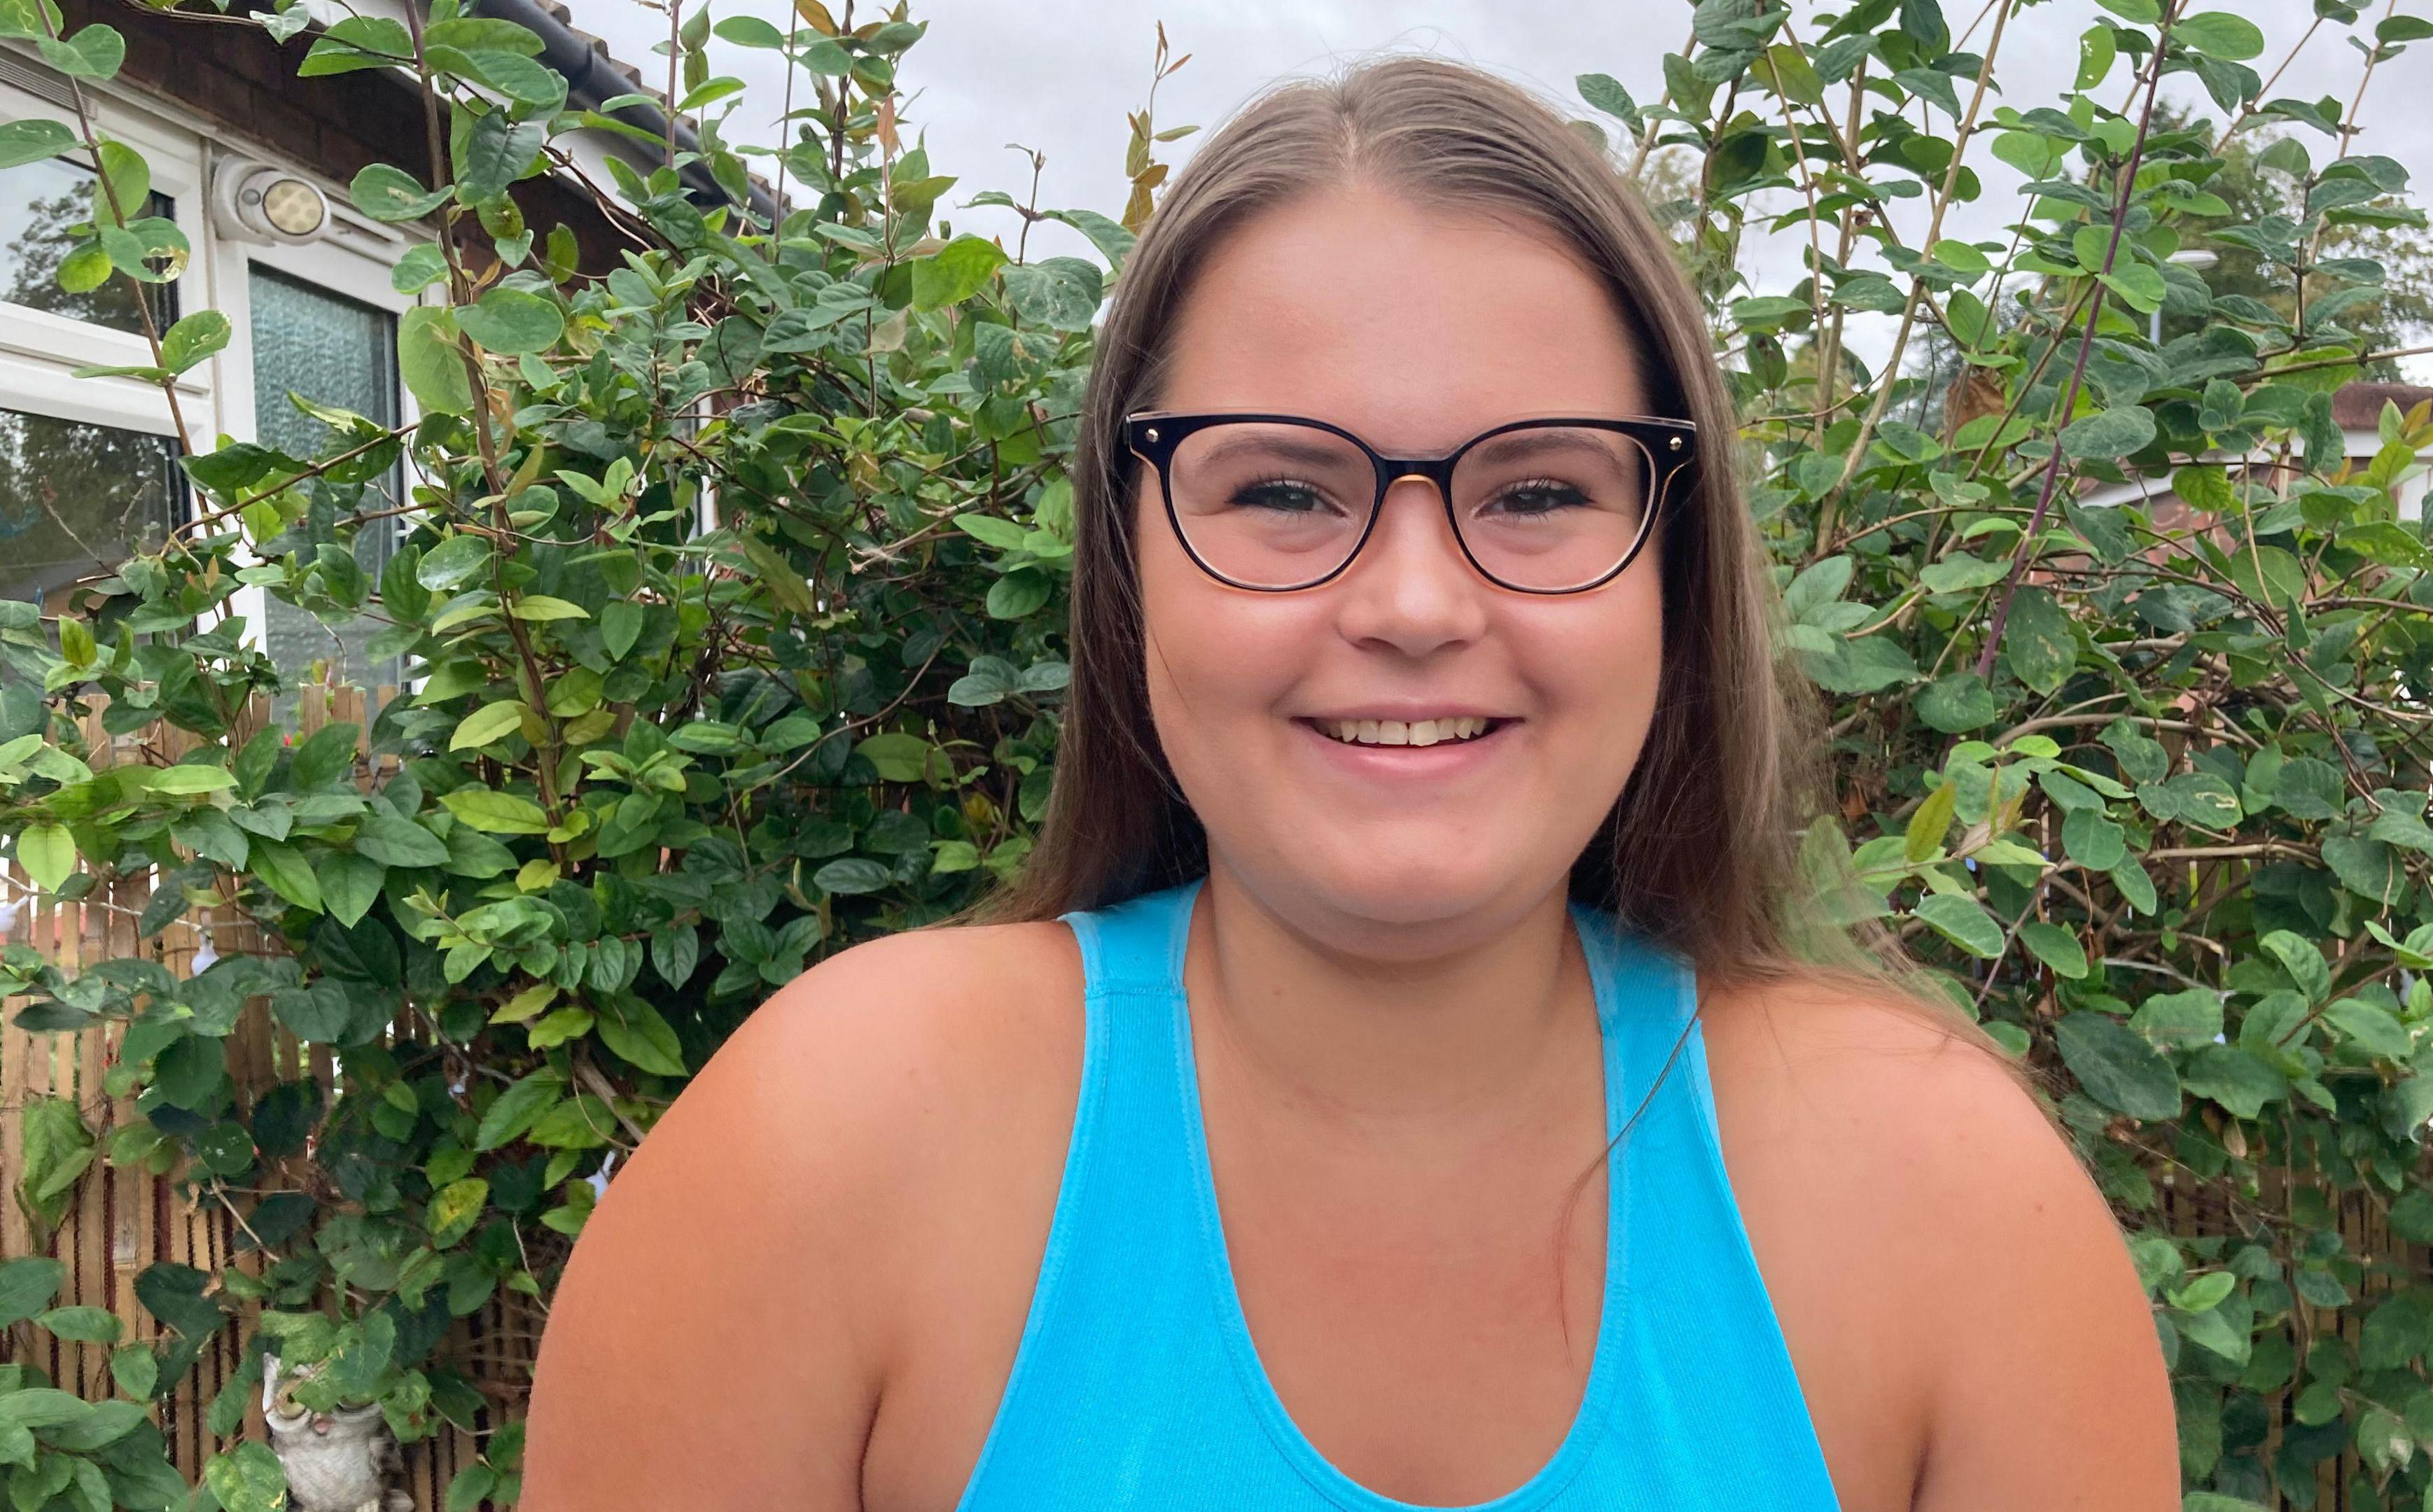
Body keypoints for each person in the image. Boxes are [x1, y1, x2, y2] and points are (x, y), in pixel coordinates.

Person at [521, 55, 2178, 1511]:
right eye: (1285, 492)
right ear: (1131, 561)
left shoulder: (1954, 1209)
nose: (1410, 604)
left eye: (1537, 490)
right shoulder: (824, 1154)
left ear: (1673, 568)